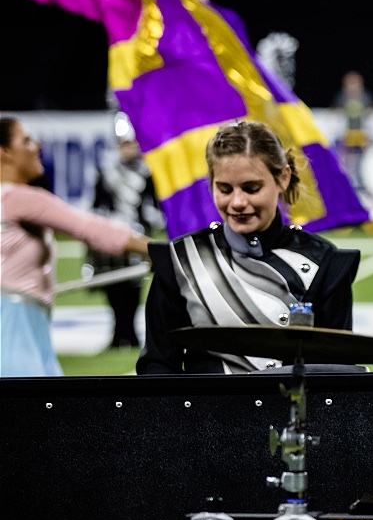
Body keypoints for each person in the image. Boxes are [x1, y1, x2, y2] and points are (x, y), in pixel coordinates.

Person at [137, 120, 360, 374]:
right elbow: (157, 364)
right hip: (204, 402)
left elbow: (337, 370)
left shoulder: (323, 262)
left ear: (283, 178)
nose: (237, 202)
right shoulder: (181, 259)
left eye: (251, 188)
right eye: (224, 189)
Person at [1, 115, 153, 377]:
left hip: (25, 331)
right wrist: (160, 250)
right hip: (15, 334)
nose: (37, 146)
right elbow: (89, 227)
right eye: (26, 141)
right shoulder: (17, 198)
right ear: (4, 152)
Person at [87, 114, 165, 348]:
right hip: (112, 238)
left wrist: (149, 222)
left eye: (130, 144)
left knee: (134, 285)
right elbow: (97, 204)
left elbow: (154, 205)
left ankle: (130, 332)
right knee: (113, 285)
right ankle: (117, 331)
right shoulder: (106, 171)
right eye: (122, 144)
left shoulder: (146, 172)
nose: (126, 149)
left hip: (136, 236)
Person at [332, 70, 373, 191]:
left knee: (364, 160)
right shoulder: (342, 97)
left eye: (355, 82)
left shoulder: (365, 97)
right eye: (350, 82)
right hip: (347, 133)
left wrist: (369, 133)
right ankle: (344, 184)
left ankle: (365, 184)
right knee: (345, 161)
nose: (352, 85)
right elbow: (335, 113)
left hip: (361, 133)